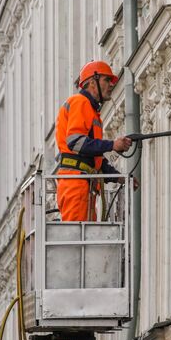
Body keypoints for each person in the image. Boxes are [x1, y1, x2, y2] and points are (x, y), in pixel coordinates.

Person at [54, 60, 135, 221]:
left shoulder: (90, 110)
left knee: (86, 240)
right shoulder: (80, 102)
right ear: (92, 82)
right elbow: (76, 142)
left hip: (83, 184)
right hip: (76, 184)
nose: (111, 85)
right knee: (77, 240)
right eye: (107, 80)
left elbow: (94, 160)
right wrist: (113, 145)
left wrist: (119, 177)